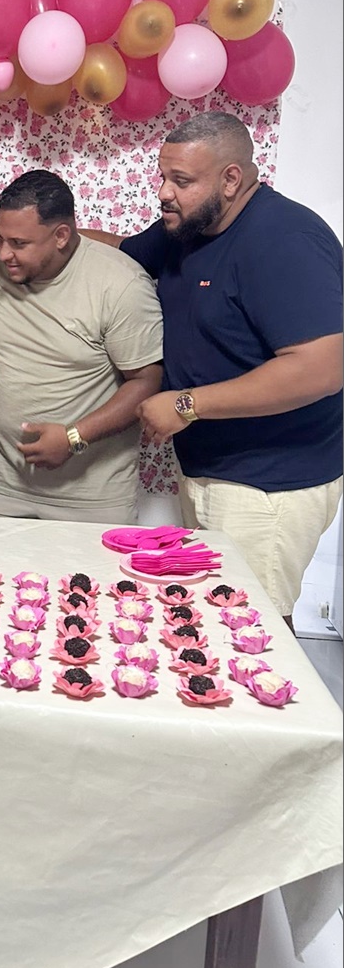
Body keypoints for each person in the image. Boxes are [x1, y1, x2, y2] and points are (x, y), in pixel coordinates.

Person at [83, 111, 343, 626]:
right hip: (209, 469)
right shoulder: (189, 227)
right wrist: (48, 237)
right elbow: (122, 253)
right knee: (205, 624)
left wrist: (187, 404)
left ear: (230, 179)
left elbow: (323, 367)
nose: (164, 193)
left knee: (250, 629)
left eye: (181, 180)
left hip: (268, 485)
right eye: (163, 176)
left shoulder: (284, 238)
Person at [0, 170, 164, 524]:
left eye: (19, 243)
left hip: (93, 501)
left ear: (61, 236)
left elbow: (147, 381)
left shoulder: (119, 284)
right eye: (1, 238)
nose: (4, 254)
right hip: (3, 491)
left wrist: (74, 437)